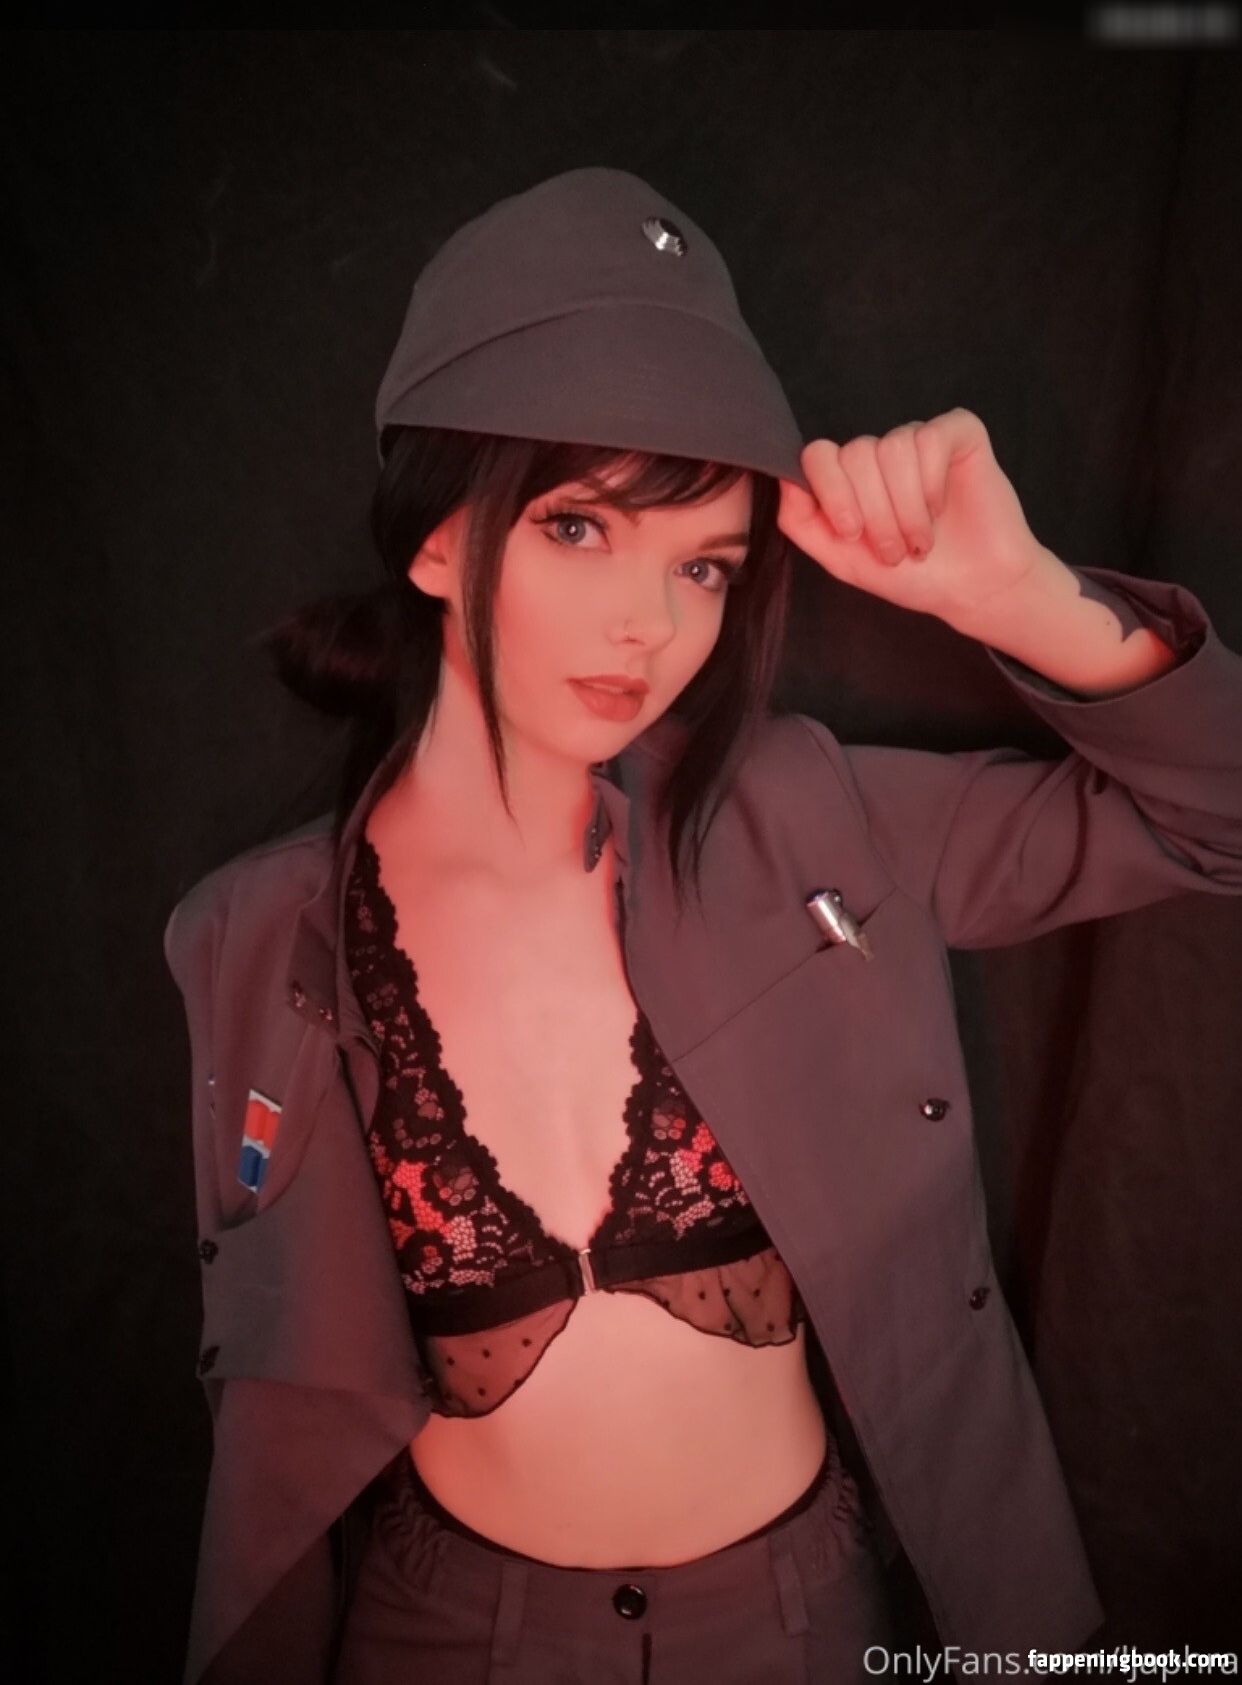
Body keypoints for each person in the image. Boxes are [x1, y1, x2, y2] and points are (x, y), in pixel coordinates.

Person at [163, 168, 1242, 1685]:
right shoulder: (259, 938)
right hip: (442, 1635)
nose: (651, 626)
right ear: (434, 541)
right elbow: (277, 1388)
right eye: (578, 527)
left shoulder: (812, 824)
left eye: (703, 567)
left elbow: (1217, 818)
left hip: (796, 1626)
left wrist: (1020, 597)